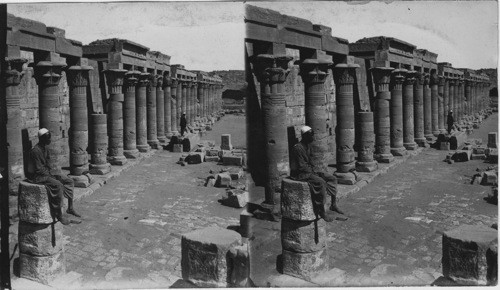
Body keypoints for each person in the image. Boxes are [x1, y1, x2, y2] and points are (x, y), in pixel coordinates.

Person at [289, 126, 345, 222]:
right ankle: (322, 211)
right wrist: (314, 173)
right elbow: (301, 166)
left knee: (332, 178)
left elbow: (310, 162)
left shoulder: (308, 146)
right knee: (321, 182)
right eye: (310, 135)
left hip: (309, 171)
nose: (313, 137)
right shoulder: (297, 148)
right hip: (300, 174)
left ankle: (333, 204)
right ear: (305, 136)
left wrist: (315, 171)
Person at [27, 128, 81, 225]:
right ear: (42, 139)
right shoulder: (35, 151)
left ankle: (70, 207)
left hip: (46, 173)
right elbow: (39, 169)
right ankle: (59, 215)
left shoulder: (45, 148)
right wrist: (52, 176)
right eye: (48, 139)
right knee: (58, 185)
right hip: (38, 177)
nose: (50, 140)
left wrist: (54, 174)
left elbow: (48, 164)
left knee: (69, 181)